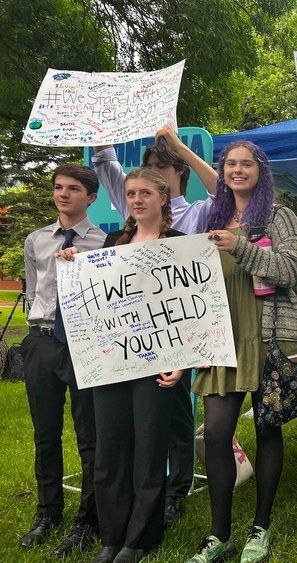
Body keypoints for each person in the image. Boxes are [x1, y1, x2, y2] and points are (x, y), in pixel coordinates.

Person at [183, 140, 297, 563]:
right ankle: (220, 535)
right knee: (216, 433)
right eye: (230, 164)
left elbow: (292, 270)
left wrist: (238, 247)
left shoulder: (279, 215)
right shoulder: (213, 217)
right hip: (223, 338)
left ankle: (260, 527)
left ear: (261, 170)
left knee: (268, 428)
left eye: (246, 164)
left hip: (270, 336)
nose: (237, 170)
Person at [56, 168, 185, 563]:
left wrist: (182, 364)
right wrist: (74, 263)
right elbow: (96, 298)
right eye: (131, 194)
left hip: (157, 364)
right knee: (110, 447)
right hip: (112, 362)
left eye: (146, 192)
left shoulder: (182, 245)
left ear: (164, 198)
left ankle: (139, 539)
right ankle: (112, 535)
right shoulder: (114, 242)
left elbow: (190, 313)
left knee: (149, 449)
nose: (137, 200)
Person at [92, 133, 217, 527]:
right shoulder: (129, 222)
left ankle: (175, 493)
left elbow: (225, 193)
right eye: (135, 187)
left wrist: (178, 146)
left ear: (174, 179)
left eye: (157, 174)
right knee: (135, 423)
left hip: (173, 334)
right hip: (130, 337)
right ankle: (136, 491)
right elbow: (106, 165)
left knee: (177, 417)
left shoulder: (195, 214)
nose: (140, 191)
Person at [20, 164, 106, 558]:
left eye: (73, 189)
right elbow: (33, 290)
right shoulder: (36, 240)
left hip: (83, 344)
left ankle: (88, 520)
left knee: (90, 436)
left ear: (91, 197)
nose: (63, 194)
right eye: (58, 187)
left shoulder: (105, 244)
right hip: (41, 342)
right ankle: (47, 512)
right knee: (45, 434)